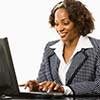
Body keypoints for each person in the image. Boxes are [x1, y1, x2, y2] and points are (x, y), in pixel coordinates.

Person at [20, 0, 100, 95]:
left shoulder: (96, 48)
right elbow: (44, 82)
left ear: (79, 23)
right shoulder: (50, 48)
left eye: (65, 23)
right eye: (56, 24)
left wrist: (64, 89)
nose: (60, 28)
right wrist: (38, 86)